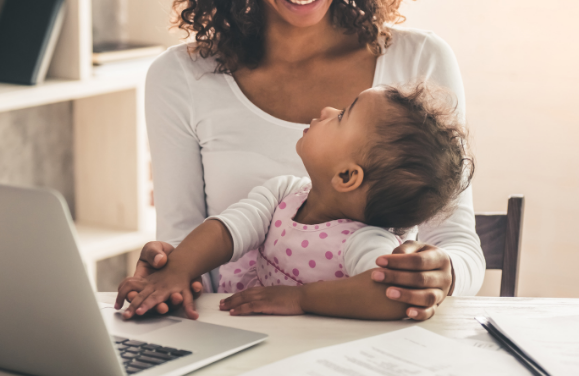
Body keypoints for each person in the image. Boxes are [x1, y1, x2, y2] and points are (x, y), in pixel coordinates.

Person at [131, 0, 485, 321]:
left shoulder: (419, 60)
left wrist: (441, 273)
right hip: (235, 335)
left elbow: (456, 242)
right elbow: (186, 242)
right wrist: (169, 267)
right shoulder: (180, 78)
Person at [117, 84, 474, 320]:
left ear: (347, 177)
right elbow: (227, 231)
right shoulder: (283, 194)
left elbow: (390, 294)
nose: (327, 108)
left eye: (342, 116)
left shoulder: (364, 241)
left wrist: (301, 299)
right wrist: (178, 269)